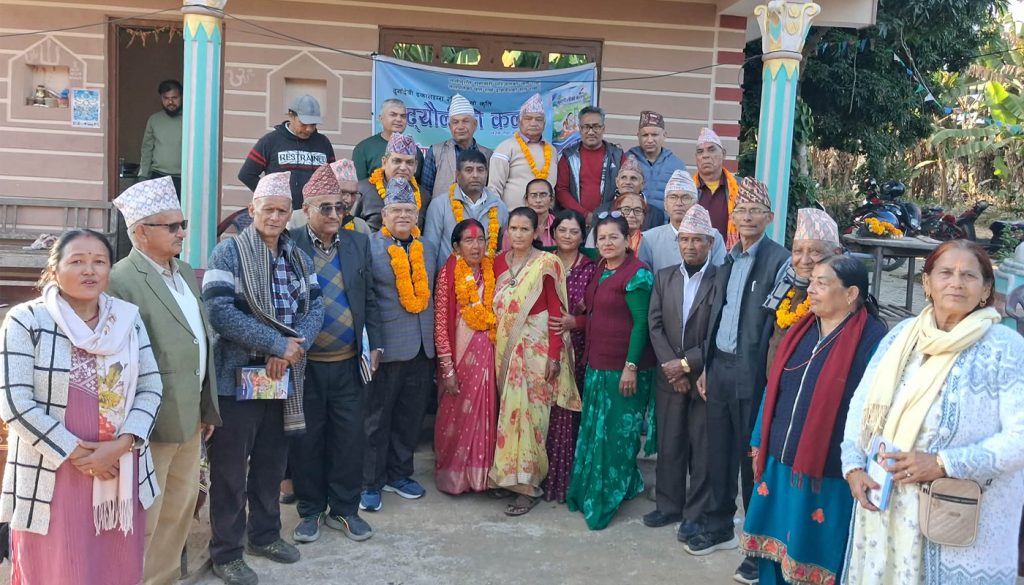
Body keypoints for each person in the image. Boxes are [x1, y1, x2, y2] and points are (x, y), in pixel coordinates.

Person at [841, 240, 1024, 585]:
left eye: (969, 275)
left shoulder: (1007, 349)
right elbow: (862, 404)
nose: (956, 282)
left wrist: (942, 463)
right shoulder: (901, 337)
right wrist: (852, 465)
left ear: (986, 289)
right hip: (885, 508)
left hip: (959, 522)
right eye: (946, 273)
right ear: (927, 283)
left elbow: (1020, 440)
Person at [1, 229, 163, 585]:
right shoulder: (27, 320)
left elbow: (151, 387)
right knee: (59, 568)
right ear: (54, 269)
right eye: (77, 261)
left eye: (99, 262)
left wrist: (120, 446)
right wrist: (79, 453)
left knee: (114, 566)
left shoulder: (127, 320)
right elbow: (14, 402)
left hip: (119, 469)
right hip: (52, 471)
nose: (89, 270)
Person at [202, 171, 324, 585]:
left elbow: (316, 308)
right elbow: (219, 312)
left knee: (271, 464)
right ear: (252, 209)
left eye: (282, 211)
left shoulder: (298, 257)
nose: (274, 217)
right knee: (230, 472)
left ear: (291, 214)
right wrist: (276, 344)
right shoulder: (229, 252)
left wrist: (290, 351)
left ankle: (265, 536)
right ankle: (226, 552)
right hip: (234, 379)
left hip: (282, 377)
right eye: (268, 209)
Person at [740, 256, 887, 585]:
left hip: (827, 472)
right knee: (772, 553)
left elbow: (875, 413)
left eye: (822, 283)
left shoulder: (873, 341)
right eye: (812, 282)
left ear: (850, 294)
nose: (811, 289)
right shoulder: (802, 329)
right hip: (779, 461)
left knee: (815, 555)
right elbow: (773, 389)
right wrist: (758, 440)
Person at [107, 177, 222, 585]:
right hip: (150, 423)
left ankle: (164, 579)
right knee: (147, 516)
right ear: (140, 232)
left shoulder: (185, 271)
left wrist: (205, 405)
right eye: (171, 226)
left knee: (180, 509)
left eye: (182, 224)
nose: (182, 233)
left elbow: (196, 338)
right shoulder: (120, 279)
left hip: (189, 417)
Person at [685, 178, 790, 585]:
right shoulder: (727, 258)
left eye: (754, 211)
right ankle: (718, 526)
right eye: (741, 211)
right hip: (720, 367)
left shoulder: (779, 261)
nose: (747, 217)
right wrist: (707, 367)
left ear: (769, 217)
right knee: (718, 452)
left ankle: (755, 546)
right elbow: (719, 314)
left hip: (753, 372)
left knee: (751, 460)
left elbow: (775, 327)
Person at [288, 164, 380, 545]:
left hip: (348, 364)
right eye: (325, 207)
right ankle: (310, 511)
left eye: (340, 207)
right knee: (307, 441)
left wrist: (375, 345)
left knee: (349, 439)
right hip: (305, 366)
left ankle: (344, 510)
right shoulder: (290, 243)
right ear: (306, 209)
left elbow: (370, 296)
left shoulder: (357, 243)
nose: (334, 214)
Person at [566, 212, 655, 530]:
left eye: (613, 237)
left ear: (628, 240)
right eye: (601, 238)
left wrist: (631, 366)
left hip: (624, 370)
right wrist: (574, 322)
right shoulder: (601, 268)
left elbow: (642, 324)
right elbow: (598, 316)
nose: (606, 243)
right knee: (595, 434)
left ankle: (606, 499)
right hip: (597, 365)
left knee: (616, 438)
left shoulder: (638, 274)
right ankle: (614, 487)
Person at [490, 207, 579, 516]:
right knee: (508, 417)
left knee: (533, 421)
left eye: (524, 229)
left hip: (538, 354)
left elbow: (556, 313)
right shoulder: (498, 263)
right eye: (513, 229)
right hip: (506, 352)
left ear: (537, 232)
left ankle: (528, 486)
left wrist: (554, 355)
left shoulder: (546, 263)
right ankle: (507, 477)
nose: (518, 234)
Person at [360, 177, 438, 513]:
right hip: (386, 349)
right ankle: (370, 481)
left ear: (417, 214)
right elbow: (366, 300)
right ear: (384, 214)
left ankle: (399, 474)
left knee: (410, 416)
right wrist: (371, 345)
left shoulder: (428, 248)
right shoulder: (369, 247)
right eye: (396, 210)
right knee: (376, 419)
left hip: (422, 347)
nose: (403, 215)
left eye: (409, 210)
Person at [643, 205, 719, 540]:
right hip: (669, 376)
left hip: (703, 376)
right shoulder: (664, 277)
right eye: (685, 239)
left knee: (701, 447)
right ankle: (668, 505)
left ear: (710, 243)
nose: (690, 245)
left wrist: (687, 364)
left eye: (697, 240)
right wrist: (671, 368)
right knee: (670, 441)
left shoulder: (721, 279)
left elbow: (718, 331)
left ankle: (695, 514)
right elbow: (655, 324)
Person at [433, 219, 499, 495]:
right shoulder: (448, 273)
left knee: (485, 414)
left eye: (481, 239)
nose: (476, 246)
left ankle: (480, 476)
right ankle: (455, 476)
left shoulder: (492, 270)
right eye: (469, 240)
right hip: (459, 358)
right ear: (456, 247)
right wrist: (447, 368)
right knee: (455, 415)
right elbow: (440, 322)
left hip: (488, 356)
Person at [546, 209, 597, 504]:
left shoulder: (590, 269)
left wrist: (574, 322)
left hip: (577, 349)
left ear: (582, 236)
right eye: (562, 230)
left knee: (569, 412)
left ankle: (566, 481)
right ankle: (544, 476)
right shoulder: (543, 263)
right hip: (546, 348)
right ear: (553, 234)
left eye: (574, 231)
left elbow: (601, 314)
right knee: (547, 411)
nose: (567, 236)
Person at [763, 208, 844, 368]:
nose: (804, 260)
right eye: (798, 251)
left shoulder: (840, 299)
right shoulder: (786, 287)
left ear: (837, 253)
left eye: (815, 251)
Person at [238, 94, 336, 210]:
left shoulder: (323, 143)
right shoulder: (270, 141)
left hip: (315, 213)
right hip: (282, 213)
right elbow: (246, 175)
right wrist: (270, 197)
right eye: (303, 124)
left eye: (313, 124)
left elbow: (333, 178)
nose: (309, 129)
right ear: (291, 116)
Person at [424, 149, 508, 269]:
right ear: (457, 175)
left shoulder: (499, 206)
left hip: (487, 277)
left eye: (480, 170)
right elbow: (430, 251)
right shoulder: (440, 205)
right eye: (469, 170)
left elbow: (502, 251)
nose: (475, 175)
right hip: (450, 277)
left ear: (487, 173)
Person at [639, 170, 726, 271]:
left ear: (696, 203)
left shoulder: (712, 236)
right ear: (665, 204)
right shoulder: (649, 239)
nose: (679, 203)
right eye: (673, 197)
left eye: (685, 197)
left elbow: (721, 275)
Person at [555, 106, 624, 225]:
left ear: (603, 128)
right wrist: (585, 215)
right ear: (580, 129)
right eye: (586, 127)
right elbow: (562, 191)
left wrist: (606, 214)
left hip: (610, 221)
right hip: (576, 222)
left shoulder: (618, 156)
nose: (591, 132)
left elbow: (625, 189)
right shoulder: (568, 156)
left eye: (596, 126)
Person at [488, 93, 558, 210]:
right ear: (519, 122)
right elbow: (494, 188)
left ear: (544, 124)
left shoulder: (552, 150)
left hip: (546, 217)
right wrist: (497, 216)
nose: (533, 123)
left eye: (539, 119)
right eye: (528, 118)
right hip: (513, 217)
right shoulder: (505, 148)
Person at [421, 94, 494, 200]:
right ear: (450, 127)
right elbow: (425, 192)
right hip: (442, 210)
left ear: (475, 125)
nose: (460, 127)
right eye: (455, 122)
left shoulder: (487, 155)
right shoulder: (435, 152)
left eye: (465, 121)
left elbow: (491, 190)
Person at [357, 133, 422, 232]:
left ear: (415, 166)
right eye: (397, 161)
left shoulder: (423, 196)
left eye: (409, 162)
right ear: (384, 162)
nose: (403, 168)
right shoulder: (361, 191)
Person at [625, 110, 686, 213]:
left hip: (664, 221)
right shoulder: (626, 160)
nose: (650, 140)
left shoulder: (676, 165)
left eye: (654, 135)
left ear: (664, 135)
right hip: (631, 219)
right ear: (638, 136)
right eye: (645, 135)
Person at [352, 98, 424, 182]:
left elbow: (418, 185)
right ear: (381, 118)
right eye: (393, 115)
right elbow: (359, 186)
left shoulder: (415, 151)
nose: (399, 119)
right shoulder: (364, 148)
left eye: (403, 116)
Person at [592, 155, 666, 230]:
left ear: (643, 184)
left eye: (633, 178)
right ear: (617, 182)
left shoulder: (656, 215)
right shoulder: (601, 212)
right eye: (623, 178)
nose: (628, 182)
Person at [694, 127, 740, 249]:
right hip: (694, 255)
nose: (705, 156)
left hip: (730, 255)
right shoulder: (688, 189)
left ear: (723, 154)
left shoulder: (740, 188)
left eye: (711, 150)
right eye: (700, 151)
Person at [138, 79, 183, 198]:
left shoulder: (190, 120)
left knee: (183, 211)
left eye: (174, 98)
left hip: (184, 179)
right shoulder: (154, 120)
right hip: (158, 178)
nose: (170, 102)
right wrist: (143, 176)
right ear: (161, 99)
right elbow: (147, 149)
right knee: (160, 211)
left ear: (182, 97)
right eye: (166, 98)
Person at [501, 178, 556, 250]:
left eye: (543, 195)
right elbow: (506, 254)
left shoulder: (559, 226)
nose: (538, 200)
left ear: (551, 199)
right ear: (526, 200)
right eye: (533, 195)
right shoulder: (513, 228)